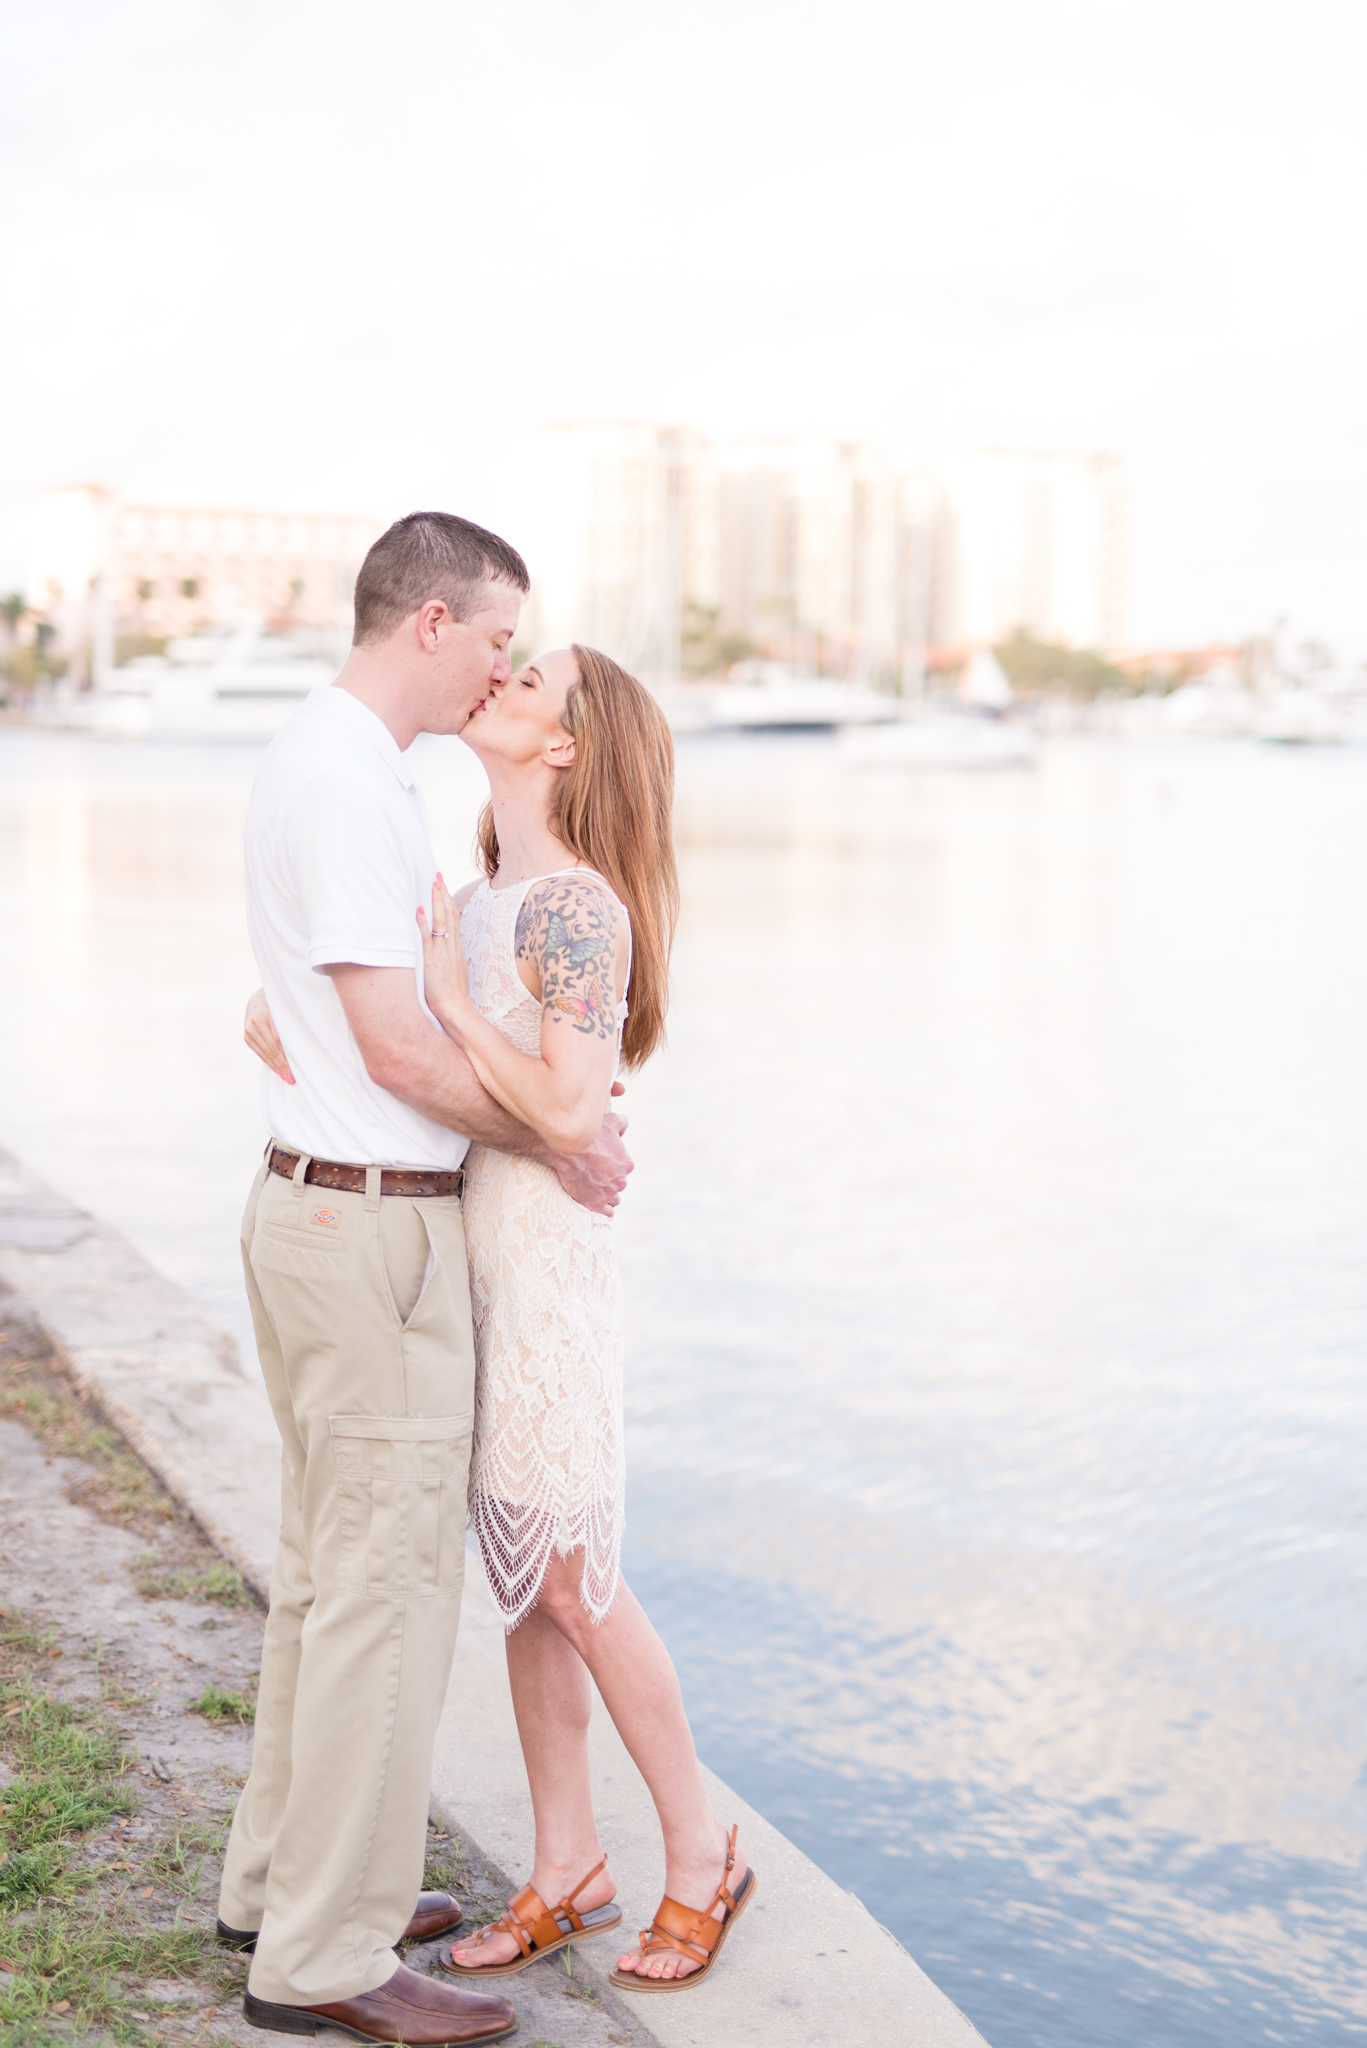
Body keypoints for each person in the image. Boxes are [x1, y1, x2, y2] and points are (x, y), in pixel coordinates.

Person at [247, 642, 757, 1994]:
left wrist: (457, 1012)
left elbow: (573, 1114)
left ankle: (702, 1855)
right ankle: (568, 1866)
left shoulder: (576, 915)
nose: (498, 679)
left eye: (527, 678)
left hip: (544, 1278)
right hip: (458, 1263)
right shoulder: (467, 896)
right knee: (525, 1584)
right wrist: (342, 1023)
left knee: (578, 1576)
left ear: (566, 745)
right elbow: (293, 1021)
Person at [222, 512, 631, 2048]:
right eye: (502, 639)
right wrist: (555, 1145)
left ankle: (283, 1889)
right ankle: (325, 1958)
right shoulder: (344, 781)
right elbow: (397, 1048)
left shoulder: (346, 770)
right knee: (384, 1600)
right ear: (436, 624)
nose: (509, 667)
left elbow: (301, 1014)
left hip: (327, 1217)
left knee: (330, 1586)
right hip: (370, 1231)